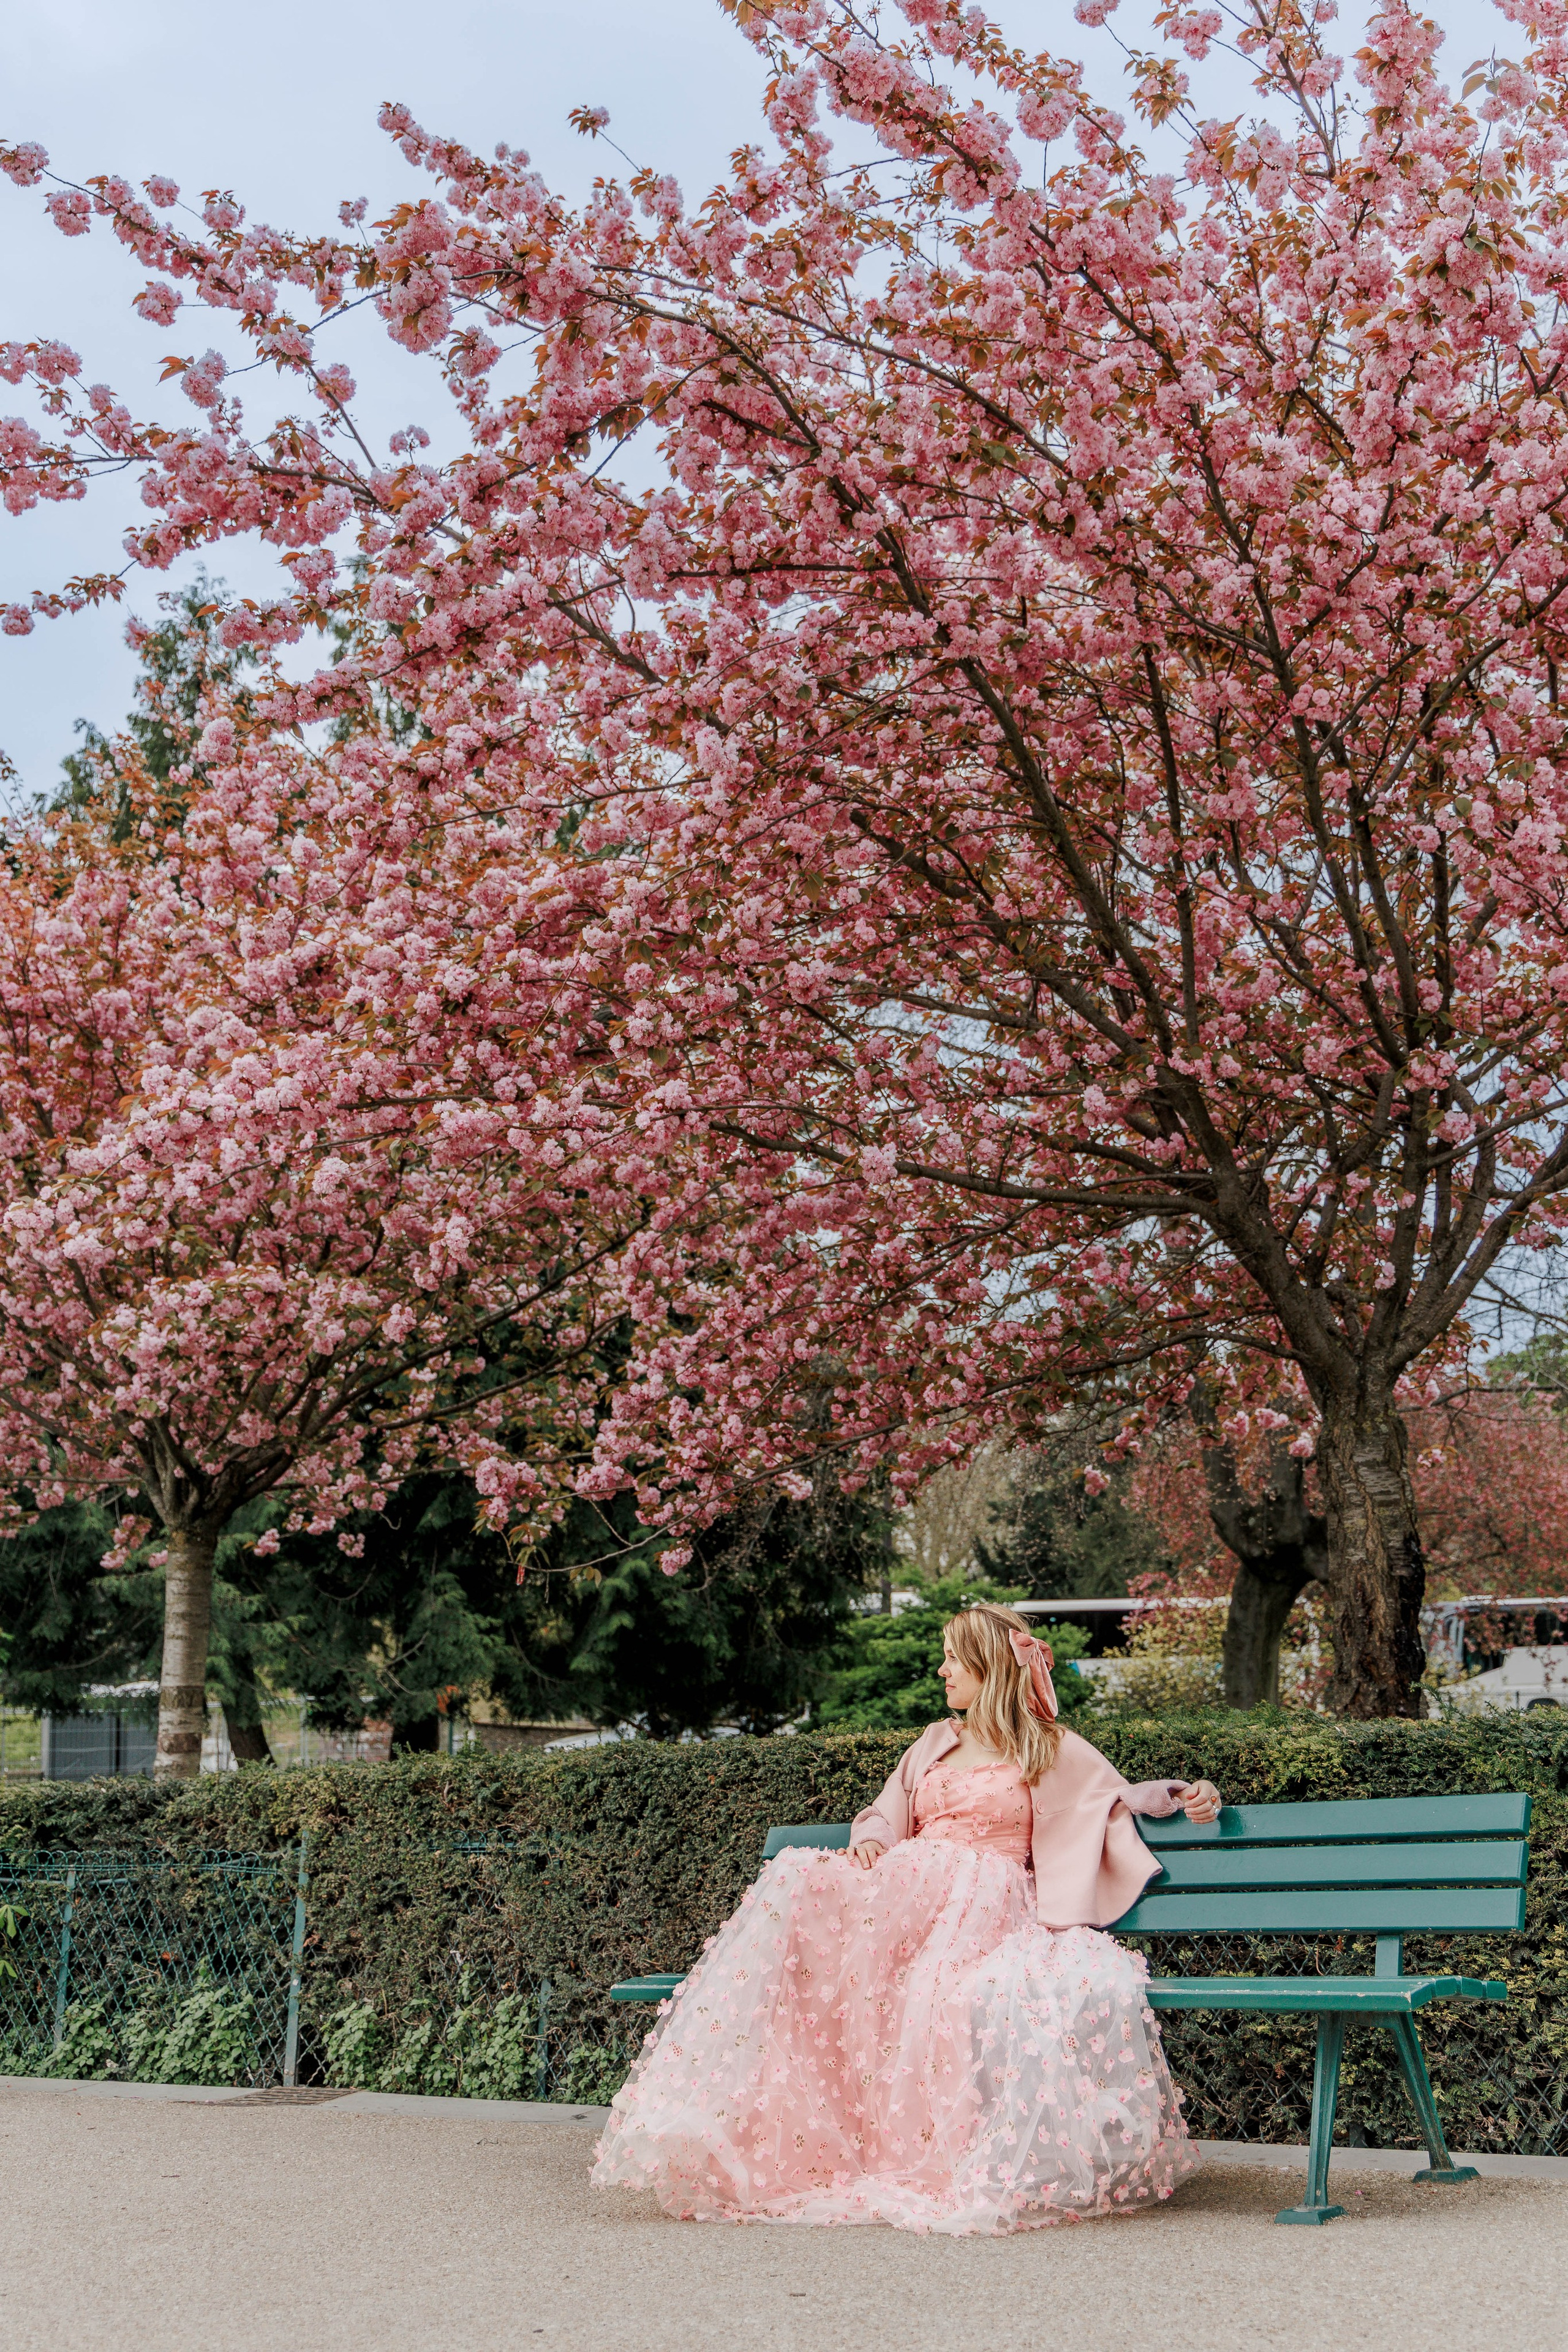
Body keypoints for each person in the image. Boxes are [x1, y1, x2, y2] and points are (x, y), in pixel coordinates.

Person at [592, 1600, 1220, 2234]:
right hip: (909, 1882)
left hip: (982, 1898)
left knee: (935, 1994)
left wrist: (1179, 1795)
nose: (943, 1671)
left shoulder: (1046, 1744)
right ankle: (732, 2122)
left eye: (954, 1659)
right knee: (799, 1879)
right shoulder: (934, 1742)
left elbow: (1113, 1797)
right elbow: (884, 1812)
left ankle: (926, 2155)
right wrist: (870, 1837)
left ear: (988, 1667)